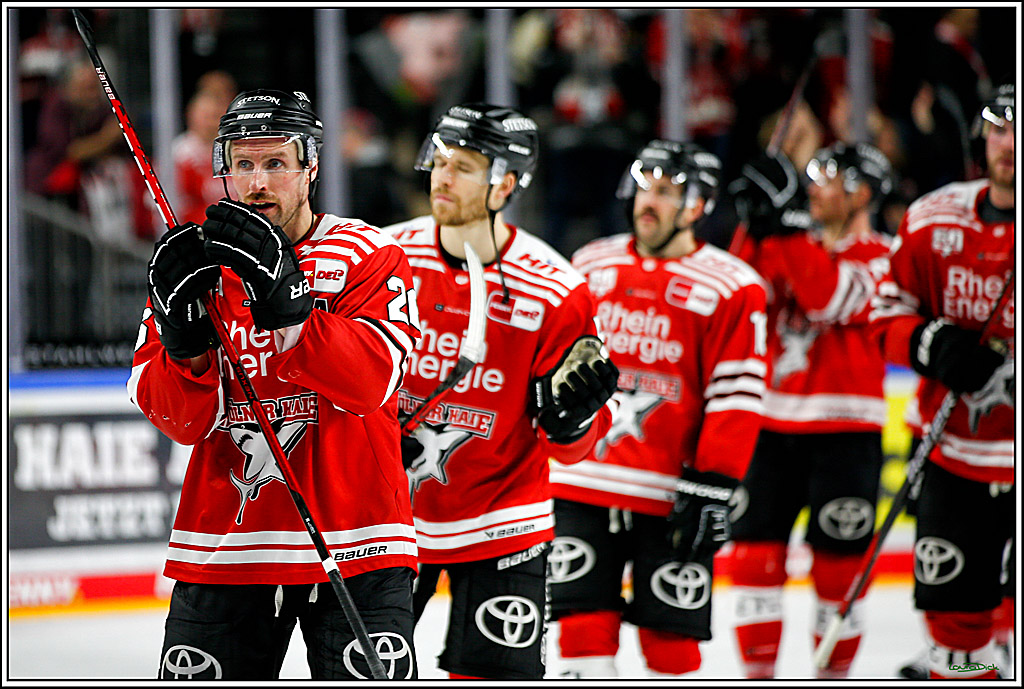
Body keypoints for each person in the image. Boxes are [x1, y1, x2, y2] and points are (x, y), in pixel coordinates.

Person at [130, 89, 421, 680]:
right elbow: (182, 423)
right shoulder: (194, 268)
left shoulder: (370, 253)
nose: (258, 182)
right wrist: (184, 346)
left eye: (275, 164)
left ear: (310, 165)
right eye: (243, 164)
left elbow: (371, 383)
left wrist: (292, 312)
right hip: (224, 547)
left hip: (359, 542)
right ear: (224, 170)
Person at [382, 102, 618, 679]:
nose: (441, 177)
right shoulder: (383, 257)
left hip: (504, 522)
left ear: (505, 184)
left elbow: (577, 446)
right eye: (438, 162)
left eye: (462, 167)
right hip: (388, 521)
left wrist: (574, 423)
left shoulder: (558, 289)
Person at [547, 140, 769, 677]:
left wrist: (715, 480)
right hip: (583, 483)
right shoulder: (589, 264)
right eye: (644, 188)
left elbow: (737, 394)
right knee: (580, 632)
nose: (649, 202)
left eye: (666, 192)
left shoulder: (733, 285)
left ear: (697, 206)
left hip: (674, 495)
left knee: (671, 645)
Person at [728, 142, 896, 678]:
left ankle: (831, 678)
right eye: (812, 180)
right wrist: (753, 226)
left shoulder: (883, 257)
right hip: (770, 425)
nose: (814, 190)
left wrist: (787, 227)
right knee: (754, 559)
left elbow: (826, 297)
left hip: (846, 434)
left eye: (828, 180)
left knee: (838, 573)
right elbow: (736, 292)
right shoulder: (787, 242)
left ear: (863, 193)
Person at [871, 81, 1014, 680]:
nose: (1011, 143)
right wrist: (932, 343)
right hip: (953, 455)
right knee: (956, 631)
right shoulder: (933, 218)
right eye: (1002, 127)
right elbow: (886, 314)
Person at [171, 88, 230, 225]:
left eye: (216, 115)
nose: (210, 122)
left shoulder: (233, 150)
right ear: (190, 115)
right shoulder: (179, 154)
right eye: (205, 115)